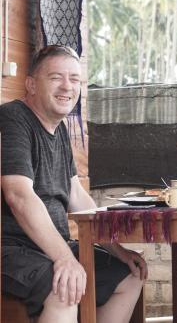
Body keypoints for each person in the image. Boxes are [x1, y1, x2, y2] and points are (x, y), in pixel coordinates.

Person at [1, 45, 148, 323]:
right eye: (56, 77)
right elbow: (18, 195)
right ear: (31, 84)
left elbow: (77, 197)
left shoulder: (59, 130)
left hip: (51, 246)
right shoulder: (13, 119)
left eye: (75, 79)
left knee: (130, 274)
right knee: (65, 290)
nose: (67, 86)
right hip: (12, 248)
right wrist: (65, 259)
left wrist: (116, 249)